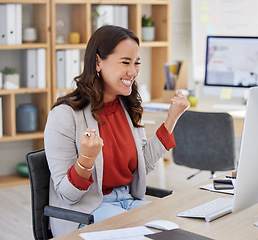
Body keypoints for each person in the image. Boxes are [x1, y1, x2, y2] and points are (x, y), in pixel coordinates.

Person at [44, 25, 190, 237]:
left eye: (136, 63)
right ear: (97, 62)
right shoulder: (65, 115)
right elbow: (67, 196)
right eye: (125, 62)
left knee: (178, 232)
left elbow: (143, 165)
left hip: (127, 201)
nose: (133, 72)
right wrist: (86, 158)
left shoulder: (126, 106)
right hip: (86, 211)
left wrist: (172, 118)